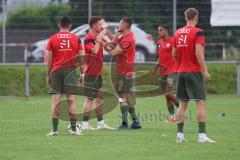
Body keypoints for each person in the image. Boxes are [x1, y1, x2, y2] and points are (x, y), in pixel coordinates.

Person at [172, 8, 216, 143]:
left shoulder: (177, 32)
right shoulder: (198, 32)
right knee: (200, 102)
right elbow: (198, 53)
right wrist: (205, 70)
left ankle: (179, 135)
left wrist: (181, 65)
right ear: (196, 17)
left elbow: (174, 54)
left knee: (182, 103)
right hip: (194, 72)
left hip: (180, 71)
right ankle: (202, 136)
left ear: (186, 18)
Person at [46, 16, 84, 136]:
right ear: (70, 25)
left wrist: (48, 75)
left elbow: (49, 60)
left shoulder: (52, 39)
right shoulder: (77, 39)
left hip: (56, 71)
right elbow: (81, 58)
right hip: (70, 72)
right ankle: (73, 130)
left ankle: (54, 130)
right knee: (71, 101)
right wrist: (82, 73)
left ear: (59, 25)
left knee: (55, 103)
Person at [106, 17, 141, 130]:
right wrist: (113, 35)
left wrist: (101, 41)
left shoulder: (128, 40)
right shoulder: (126, 37)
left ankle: (125, 123)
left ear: (125, 25)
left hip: (124, 72)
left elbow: (112, 51)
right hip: (127, 71)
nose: (118, 25)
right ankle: (136, 122)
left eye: (120, 23)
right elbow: (114, 43)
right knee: (127, 96)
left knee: (122, 97)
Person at [81, 16, 113, 131]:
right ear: (94, 25)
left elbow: (111, 48)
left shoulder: (98, 37)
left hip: (98, 73)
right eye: (100, 25)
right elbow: (94, 51)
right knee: (89, 99)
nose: (101, 27)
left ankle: (101, 123)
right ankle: (84, 125)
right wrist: (99, 39)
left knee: (99, 99)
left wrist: (109, 34)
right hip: (90, 74)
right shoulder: (88, 38)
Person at [151, 24, 179, 122]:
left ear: (166, 31)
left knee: (169, 93)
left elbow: (178, 54)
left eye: (161, 30)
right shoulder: (159, 42)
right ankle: (173, 116)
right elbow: (160, 57)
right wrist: (154, 70)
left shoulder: (172, 41)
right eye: (158, 30)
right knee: (167, 96)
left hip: (172, 70)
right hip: (163, 72)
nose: (159, 32)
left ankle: (181, 111)